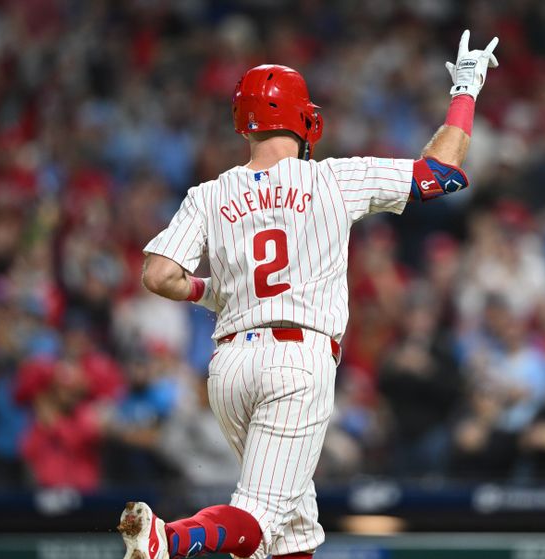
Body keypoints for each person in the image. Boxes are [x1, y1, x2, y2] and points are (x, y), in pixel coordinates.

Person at [118, 30, 500, 559]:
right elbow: (442, 173)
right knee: (257, 514)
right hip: (298, 361)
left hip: (228, 368)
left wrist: (213, 293)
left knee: (294, 531)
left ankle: (182, 537)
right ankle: (170, 539)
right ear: (303, 118)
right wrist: (465, 91)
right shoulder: (333, 179)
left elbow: (159, 274)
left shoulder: (209, 193)